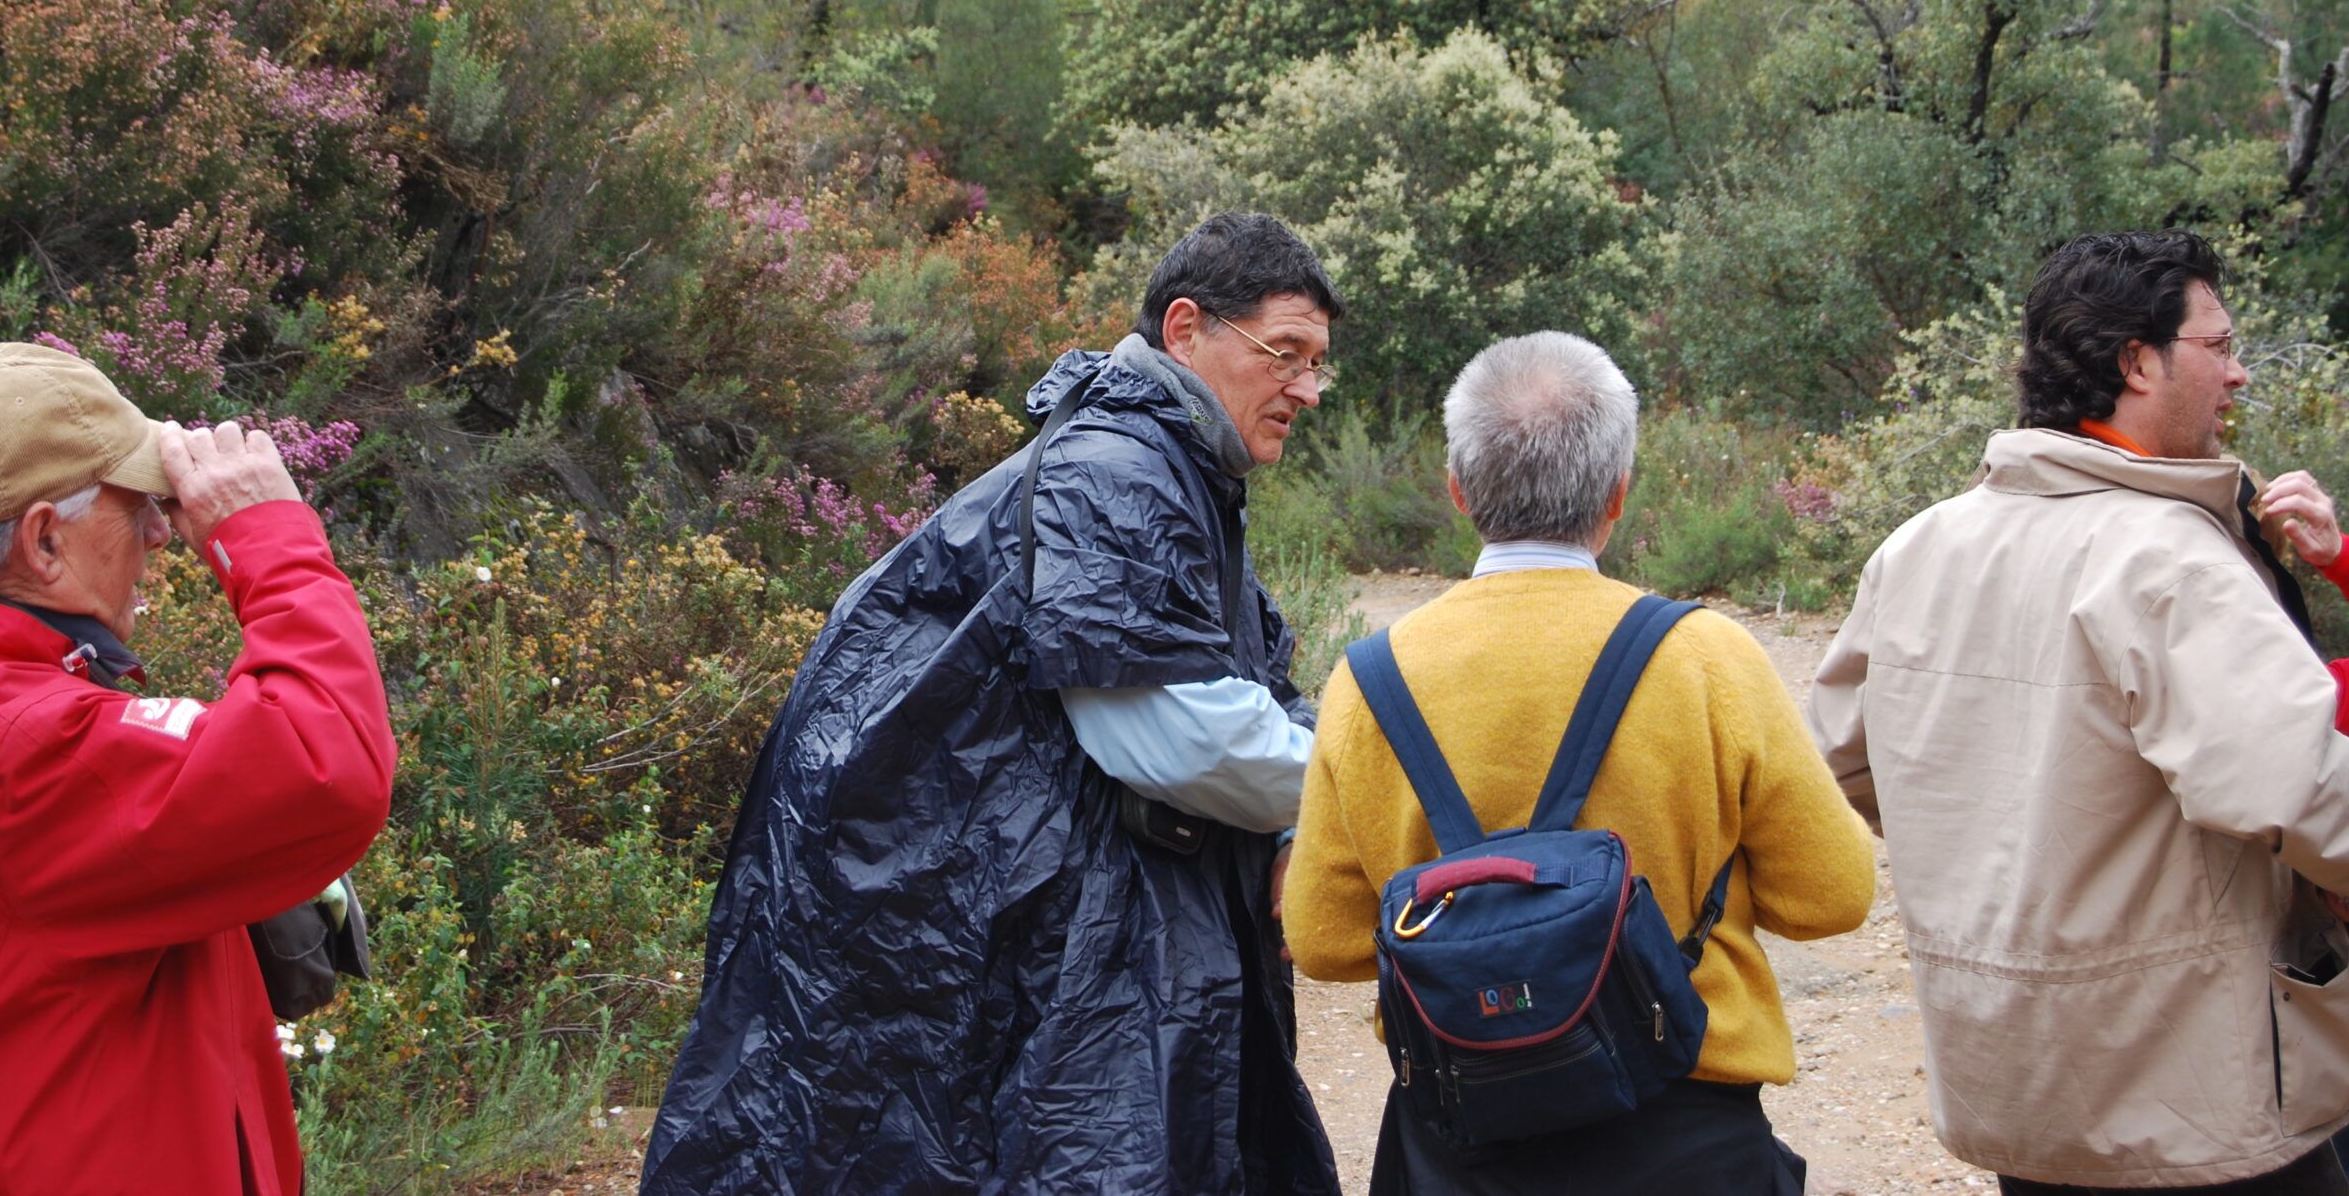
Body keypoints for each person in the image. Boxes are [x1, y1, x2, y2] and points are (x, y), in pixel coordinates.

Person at [640, 212, 1344, 1196]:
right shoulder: (1115, 475)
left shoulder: (1168, 473)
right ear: (1187, 330)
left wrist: (1283, 822)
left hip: (1055, 911)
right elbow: (1171, 737)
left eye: (1318, 364)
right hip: (1025, 926)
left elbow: (1240, 683)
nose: (1307, 389)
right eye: (1287, 354)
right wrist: (1359, 782)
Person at [1810, 231, 2349, 1194]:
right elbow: (2305, 789)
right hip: (2192, 1097)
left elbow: (1848, 756)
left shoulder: (1918, 547)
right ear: (2137, 361)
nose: (2238, 375)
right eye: (2219, 346)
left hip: (2017, 1087)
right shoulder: (2170, 560)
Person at [0, 343, 396, 1196]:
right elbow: (320, 764)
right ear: (42, 541)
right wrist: (270, 545)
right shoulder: (3, 747)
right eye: (135, 506)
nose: (158, 530)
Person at [1284, 330, 1874, 1196]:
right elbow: (1831, 895)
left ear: (1457, 492)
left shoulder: (1367, 680)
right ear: (1618, 494)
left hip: (1459, 1137)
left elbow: (1326, 940)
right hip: (1686, 1131)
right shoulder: (1708, 657)